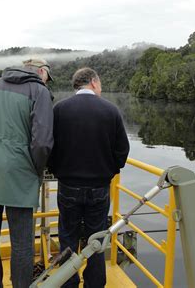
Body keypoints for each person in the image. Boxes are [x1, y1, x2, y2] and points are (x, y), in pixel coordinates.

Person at [0, 58, 54, 288]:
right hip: (21, 174)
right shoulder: (40, 90)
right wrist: (36, 171)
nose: (47, 80)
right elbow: (43, 142)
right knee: (22, 245)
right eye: (47, 75)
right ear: (40, 71)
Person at [49, 67, 130, 288]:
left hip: (68, 186)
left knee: (67, 236)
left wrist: (58, 170)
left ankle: (68, 283)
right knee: (97, 239)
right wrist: (109, 170)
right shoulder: (110, 110)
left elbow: (49, 148)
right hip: (99, 187)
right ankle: (94, 284)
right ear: (93, 82)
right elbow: (122, 150)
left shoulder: (60, 110)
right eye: (100, 84)